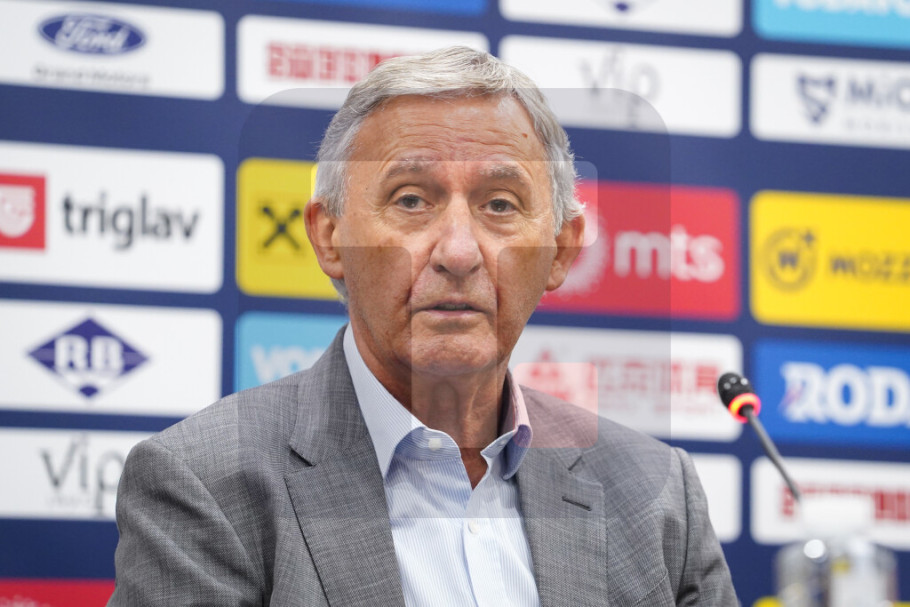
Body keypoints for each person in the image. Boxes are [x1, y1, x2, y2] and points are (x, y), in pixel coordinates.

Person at [109, 46, 737, 606]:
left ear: (561, 250)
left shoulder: (657, 496)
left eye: (500, 204)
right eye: (410, 200)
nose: (458, 252)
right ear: (330, 237)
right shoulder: (206, 485)